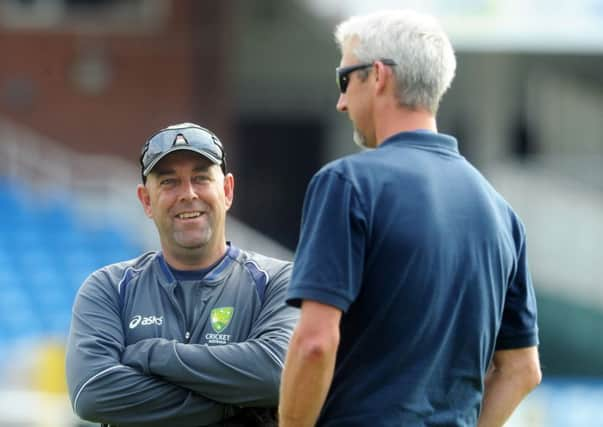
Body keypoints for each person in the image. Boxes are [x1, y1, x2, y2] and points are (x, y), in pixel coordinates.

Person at [279, 9, 541, 427]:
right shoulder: (500, 213)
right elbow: (522, 369)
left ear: (378, 76)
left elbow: (314, 343)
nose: (341, 100)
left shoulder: (348, 183)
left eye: (344, 79)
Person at [66, 122, 299, 427]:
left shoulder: (278, 281)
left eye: (201, 178)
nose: (188, 194)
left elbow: (277, 374)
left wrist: (153, 353)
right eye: (169, 182)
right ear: (146, 201)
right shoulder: (109, 288)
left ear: (227, 191)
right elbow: (91, 393)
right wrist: (233, 404)